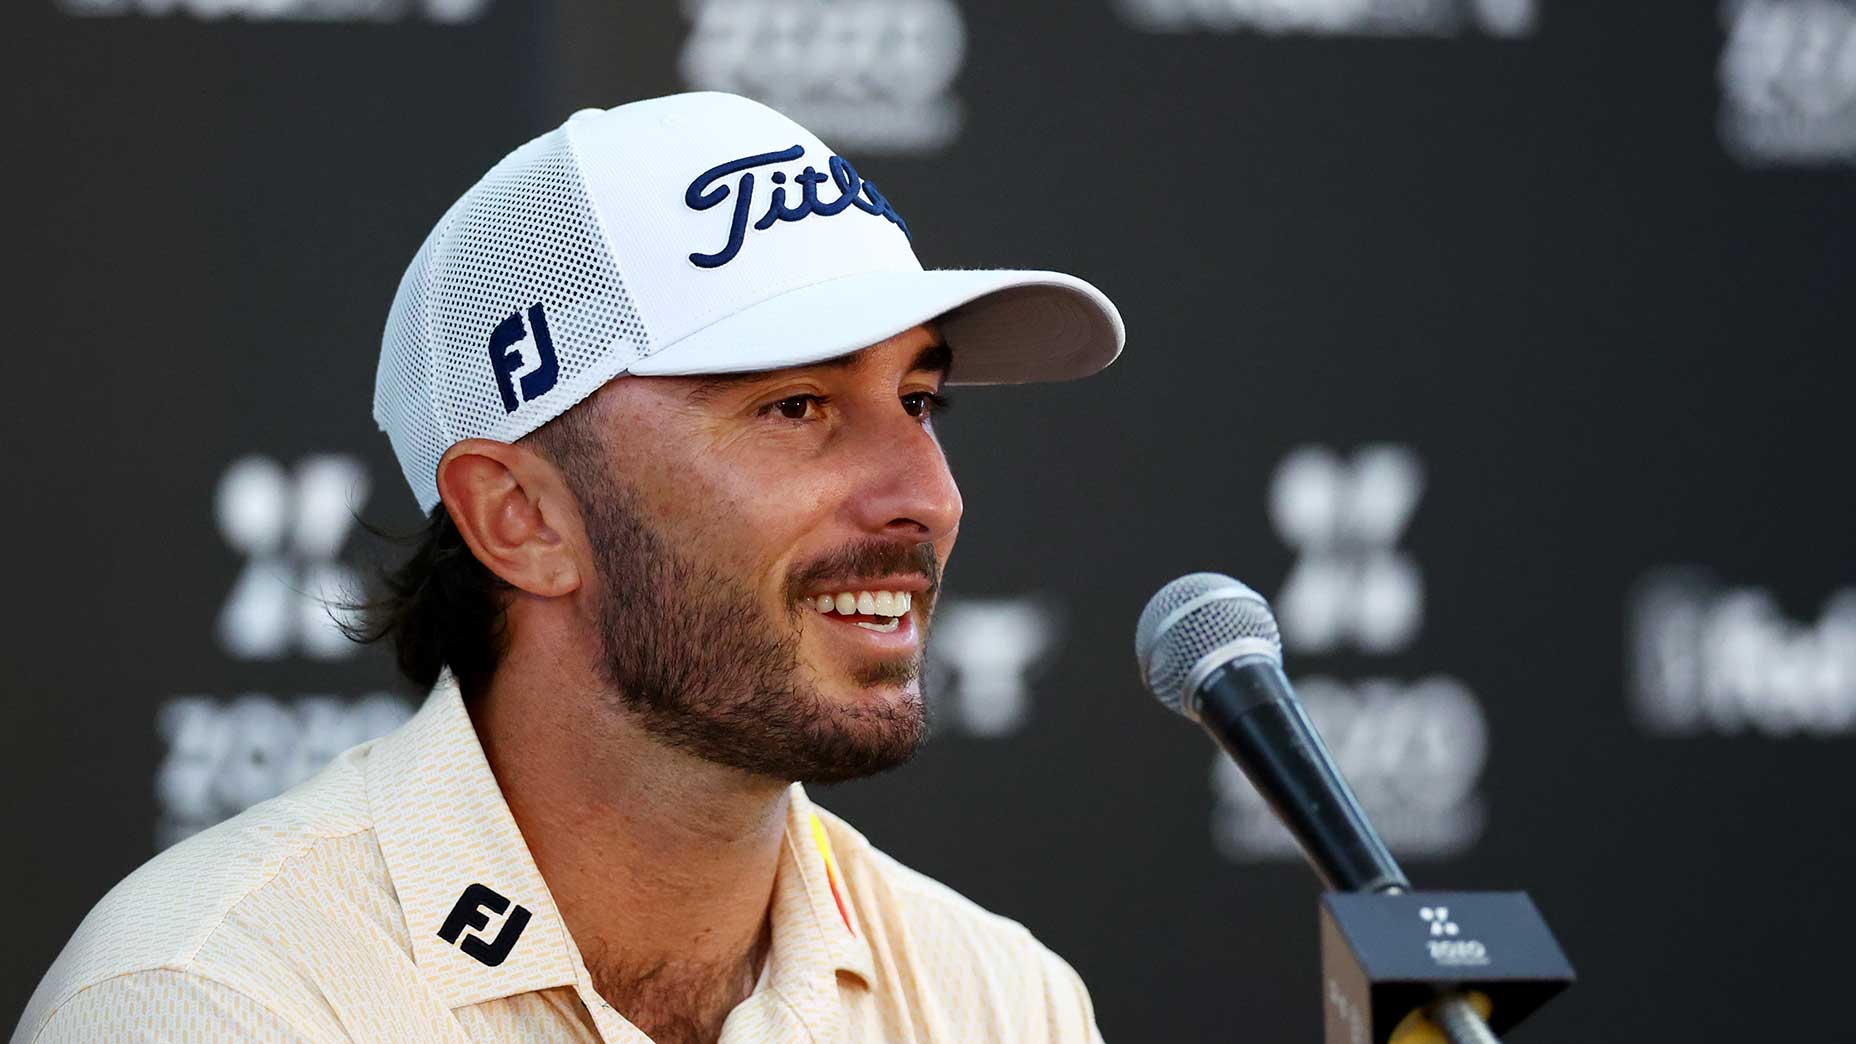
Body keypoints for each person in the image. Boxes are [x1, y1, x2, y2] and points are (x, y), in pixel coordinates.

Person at [14, 91, 1124, 1044]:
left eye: (919, 402)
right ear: (518, 519)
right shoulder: (216, 1003)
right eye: (795, 406)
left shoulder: (999, 1001)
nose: (929, 497)